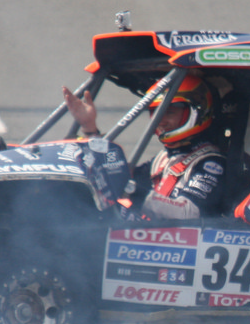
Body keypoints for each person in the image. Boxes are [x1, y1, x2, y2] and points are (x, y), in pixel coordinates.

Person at [63, 74, 227, 220]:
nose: (161, 120)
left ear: (197, 111)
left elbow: (188, 212)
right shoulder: (164, 158)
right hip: (152, 237)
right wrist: (90, 128)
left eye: (170, 112)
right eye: (157, 112)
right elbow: (118, 175)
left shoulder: (211, 163)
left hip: (185, 241)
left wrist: (132, 191)